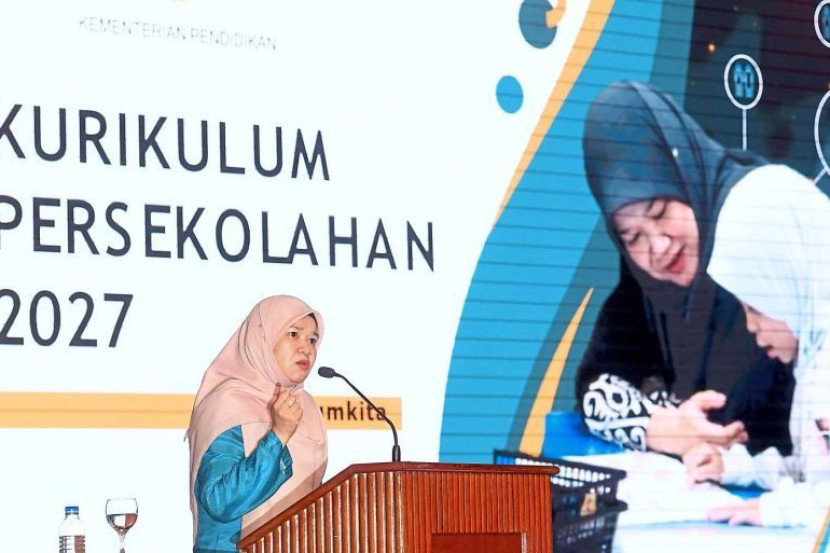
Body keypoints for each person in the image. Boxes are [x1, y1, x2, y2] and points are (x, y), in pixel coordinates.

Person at [576, 81, 794, 457]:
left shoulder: (757, 228)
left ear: (685, 173)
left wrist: (674, 420)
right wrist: (664, 427)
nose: (658, 247)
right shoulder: (646, 278)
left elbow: (736, 421)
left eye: (660, 212)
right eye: (632, 236)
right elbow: (596, 385)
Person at [683, 174, 830, 528]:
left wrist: (778, 511)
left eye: (756, 308)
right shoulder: (813, 361)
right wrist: (736, 467)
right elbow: (813, 474)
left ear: (789, 283)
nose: (751, 327)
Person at [186, 295, 328, 553]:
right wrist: (279, 435)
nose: (306, 348)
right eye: (293, 334)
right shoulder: (227, 403)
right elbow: (220, 501)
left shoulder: (305, 407)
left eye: (312, 340)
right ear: (263, 338)